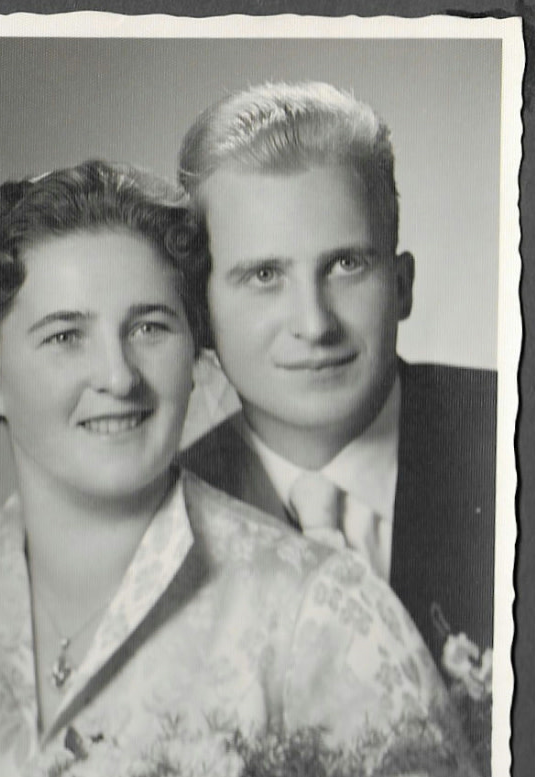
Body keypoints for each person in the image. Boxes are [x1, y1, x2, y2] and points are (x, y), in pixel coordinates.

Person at [0, 161, 486, 777]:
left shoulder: (326, 614)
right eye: (64, 335)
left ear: (195, 353)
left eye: (149, 327)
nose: (117, 375)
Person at [178, 82, 497, 671]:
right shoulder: (167, 522)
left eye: (347, 265)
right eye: (265, 275)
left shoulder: (508, 436)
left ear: (401, 285)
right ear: (201, 313)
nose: (314, 324)